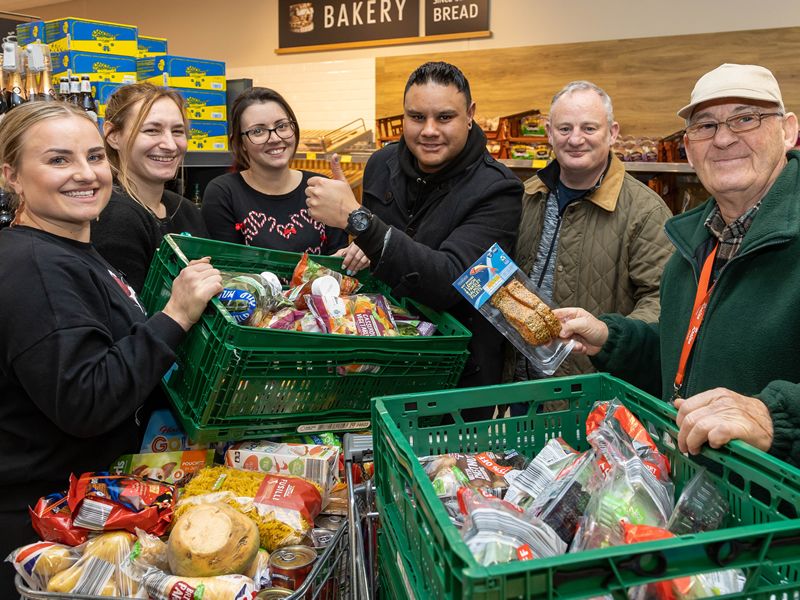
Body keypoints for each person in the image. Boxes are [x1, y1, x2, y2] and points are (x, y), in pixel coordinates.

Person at [0, 102, 222, 592]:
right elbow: (87, 400)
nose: (86, 174)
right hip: (47, 539)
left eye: (95, 157)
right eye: (59, 160)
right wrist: (175, 315)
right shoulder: (35, 267)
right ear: (12, 175)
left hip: (91, 516)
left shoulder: (70, 249)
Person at [557, 63, 800, 466]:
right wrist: (609, 338)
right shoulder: (691, 246)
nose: (723, 139)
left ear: (788, 130)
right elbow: (681, 365)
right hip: (702, 504)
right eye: (705, 126)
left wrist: (775, 417)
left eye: (745, 118)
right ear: (688, 147)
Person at [305, 61, 523, 407]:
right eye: (417, 117)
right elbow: (383, 245)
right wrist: (363, 244)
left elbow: (455, 282)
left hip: (456, 379)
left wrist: (359, 221)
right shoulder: (381, 164)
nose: (429, 130)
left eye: (445, 117)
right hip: (379, 356)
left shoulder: (499, 191)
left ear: (470, 115)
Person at [507, 81, 672, 385]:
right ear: (549, 133)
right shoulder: (525, 196)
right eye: (565, 128)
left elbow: (663, 299)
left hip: (593, 390)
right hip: (521, 383)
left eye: (589, 128)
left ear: (612, 132)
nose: (575, 139)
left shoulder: (645, 211)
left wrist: (609, 335)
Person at [91, 82, 208, 294]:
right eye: (152, 130)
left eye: (178, 131)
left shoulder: (186, 210)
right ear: (113, 135)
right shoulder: (114, 217)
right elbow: (129, 321)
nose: (170, 145)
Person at [201, 87, 348, 255]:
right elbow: (226, 268)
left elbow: (340, 262)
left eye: (282, 126)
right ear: (240, 143)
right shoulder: (225, 193)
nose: (275, 138)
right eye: (258, 131)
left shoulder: (319, 187)